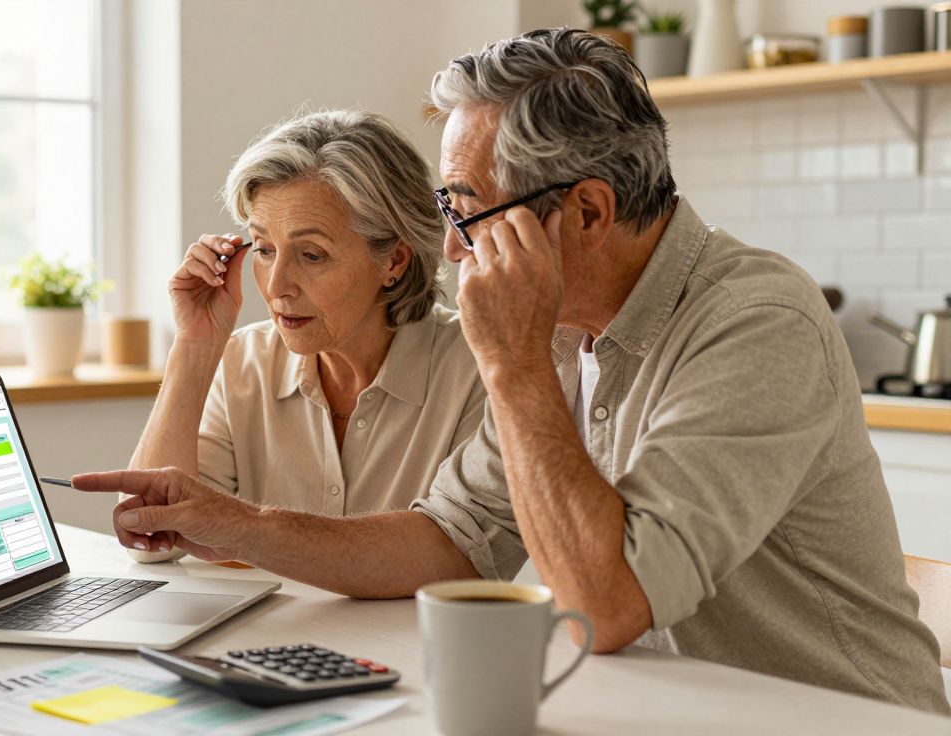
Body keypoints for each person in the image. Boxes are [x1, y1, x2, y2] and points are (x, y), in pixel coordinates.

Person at [72, 29, 950, 713]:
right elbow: (444, 537)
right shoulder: (563, 330)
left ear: (588, 212)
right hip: (671, 711)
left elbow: (606, 604)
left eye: (464, 210)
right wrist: (240, 523)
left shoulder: (757, 326)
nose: (449, 247)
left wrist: (514, 363)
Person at [125, 109, 485, 563]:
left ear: (393, 261)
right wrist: (194, 346)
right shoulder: (241, 362)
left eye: (312, 255)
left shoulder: (475, 368)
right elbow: (148, 540)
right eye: (263, 249)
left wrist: (245, 528)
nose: (277, 286)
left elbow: (457, 557)